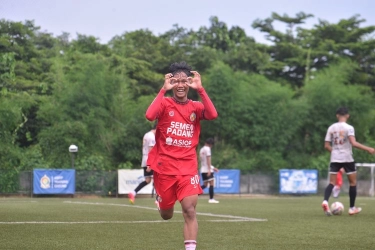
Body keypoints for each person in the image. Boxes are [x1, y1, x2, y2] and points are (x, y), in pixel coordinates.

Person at [145, 61, 218, 250]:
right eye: (176, 81)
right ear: (171, 83)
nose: (180, 85)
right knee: (166, 215)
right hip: (165, 169)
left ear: (189, 84)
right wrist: (162, 90)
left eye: (184, 81)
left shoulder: (195, 107)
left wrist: (201, 90)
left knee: (190, 211)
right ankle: (161, 203)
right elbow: (149, 115)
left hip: (187, 169)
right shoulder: (164, 103)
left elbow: (212, 114)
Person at [321, 107, 375, 216]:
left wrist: (335, 152)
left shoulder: (331, 128)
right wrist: (368, 149)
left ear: (337, 115)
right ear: (347, 116)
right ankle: (351, 208)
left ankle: (325, 201)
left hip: (335, 158)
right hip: (347, 158)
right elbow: (353, 143)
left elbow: (326, 146)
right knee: (353, 183)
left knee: (332, 182)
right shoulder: (349, 128)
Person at [128, 125, 156, 204]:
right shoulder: (152, 137)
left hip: (144, 159)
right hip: (149, 160)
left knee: (148, 180)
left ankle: (133, 193)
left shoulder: (146, 135)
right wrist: (150, 164)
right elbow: (151, 150)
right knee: (158, 179)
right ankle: (159, 200)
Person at [199, 138, 220, 203]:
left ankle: (193, 193)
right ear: (210, 144)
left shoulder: (201, 149)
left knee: (205, 185)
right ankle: (211, 199)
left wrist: (213, 167)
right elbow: (208, 159)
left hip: (202, 169)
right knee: (212, 183)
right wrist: (209, 169)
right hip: (207, 170)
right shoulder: (207, 149)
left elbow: (203, 161)